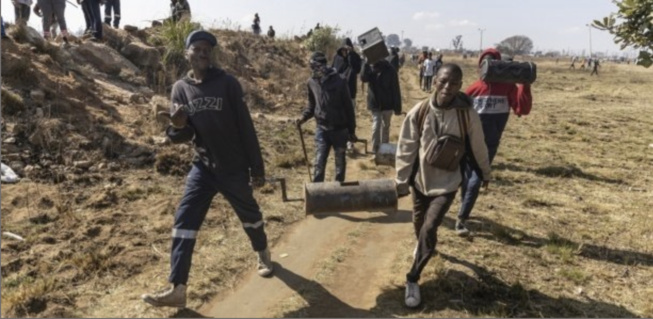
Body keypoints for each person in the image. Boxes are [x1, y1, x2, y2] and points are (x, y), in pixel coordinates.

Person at [141, 30, 274, 308]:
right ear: (187, 53)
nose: (203, 53)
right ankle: (177, 288)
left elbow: (245, 127)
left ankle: (262, 251)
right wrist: (176, 127)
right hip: (202, 168)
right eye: (197, 48)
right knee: (184, 220)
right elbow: (183, 135)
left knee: (249, 214)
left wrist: (256, 168)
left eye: (207, 49)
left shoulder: (227, 83)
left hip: (233, 166)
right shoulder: (180, 89)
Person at [395, 63, 491, 308]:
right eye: (443, 81)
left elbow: (478, 145)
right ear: (434, 81)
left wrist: (485, 172)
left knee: (429, 227)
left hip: (447, 184)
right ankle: (425, 248)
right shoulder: (419, 112)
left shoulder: (466, 113)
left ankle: (413, 278)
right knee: (419, 225)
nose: (448, 87)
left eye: (454, 83)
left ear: (460, 85)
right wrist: (401, 180)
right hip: (420, 182)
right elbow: (406, 147)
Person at [456, 48, 532, 236]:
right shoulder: (508, 89)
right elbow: (522, 109)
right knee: (477, 174)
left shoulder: (473, 88)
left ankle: (463, 208)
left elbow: (459, 113)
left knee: (468, 173)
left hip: (467, 138)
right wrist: (525, 85)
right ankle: (462, 217)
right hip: (489, 141)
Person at [296, 52, 356, 182]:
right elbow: (312, 106)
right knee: (319, 162)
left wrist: (351, 131)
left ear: (323, 65)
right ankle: (318, 194)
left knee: (340, 163)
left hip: (340, 129)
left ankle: (339, 192)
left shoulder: (340, 81)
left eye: (316, 66)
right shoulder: (311, 82)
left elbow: (349, 108)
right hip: (322, 128)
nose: (314, 69)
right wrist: (303, 118)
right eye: (312, 67)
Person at [361, 58, 402, 154]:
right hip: (375, 103)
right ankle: (375, 150)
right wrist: (365, 63)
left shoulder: (390, 70)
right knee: (376, 126)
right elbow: (363, 78)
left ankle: (384, 150)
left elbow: (395, 88)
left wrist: (397, 108)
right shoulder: (370, 68)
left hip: (388, 104)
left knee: (386, 127)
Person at [331, 37, 362, 152]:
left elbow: (357, 69)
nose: (345, 52)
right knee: (338, 117)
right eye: (344, 50)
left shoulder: (354, 58)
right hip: (337, 93)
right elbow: (332, 72)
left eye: (347, 49)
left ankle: (349, 141)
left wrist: (352, 54)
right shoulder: (337, 58)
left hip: (350, 93)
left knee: (350, 118)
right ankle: (338, 141)